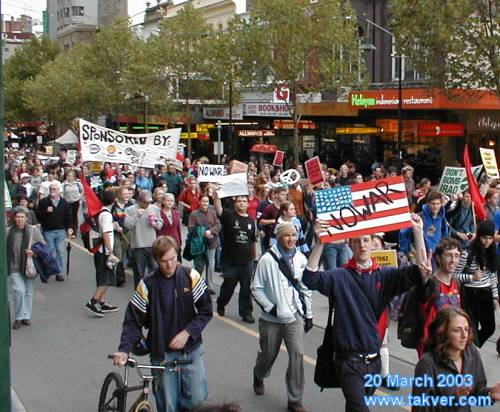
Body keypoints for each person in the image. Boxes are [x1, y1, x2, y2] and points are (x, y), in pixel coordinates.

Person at [302, 214, 430, 412]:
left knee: (355, 407)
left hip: (373, 364)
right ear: (350, 245)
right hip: (348, 363)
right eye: (356, 241)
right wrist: (320, 242)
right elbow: (310, 278)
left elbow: (420, 272)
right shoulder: (340, 276)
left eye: (366, 240)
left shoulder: (385, 276)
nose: (362, 245)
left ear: (373, 244)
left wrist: (418, 232)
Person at [113, 236, 213, 412]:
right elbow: (132, 320)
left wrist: (187, 332)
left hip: (191, 350)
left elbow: (206, 310)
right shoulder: (147, 285)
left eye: (173, 258)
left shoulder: (191, 276)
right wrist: (124, 349)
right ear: (156, 260)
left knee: (197, 400)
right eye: (164, 261)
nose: (170, 265)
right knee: (168, 405)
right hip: (162, 354)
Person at [251, 223, 313, 412]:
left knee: (297, 355)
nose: (291, 239)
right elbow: (256, 288)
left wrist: (308, 314)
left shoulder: (301, 258)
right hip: (272, 320)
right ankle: (259, 374)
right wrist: (271, 308)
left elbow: (305, 288)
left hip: (294, 317)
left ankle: (294, 400)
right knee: (268, 354)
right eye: (287, 235)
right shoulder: (267, 260)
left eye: (294, 235)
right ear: (279, 237)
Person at [412, 307, 500, 411]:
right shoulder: (427, 363)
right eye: (457, 330)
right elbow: (419, 408)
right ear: (443, 333)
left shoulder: (472, 353)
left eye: (466, 329)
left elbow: (475, 393)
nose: (464, 335)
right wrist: (454, 401)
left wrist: (490, 394)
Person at [213, 190, 258, 324]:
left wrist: (254, 258)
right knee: (228, 287)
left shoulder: (251, 220)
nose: (242, 203)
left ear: (247, 203)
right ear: (235, 203)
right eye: (239, 201)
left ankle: (246, 312)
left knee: (246, 289)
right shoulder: (228, 215)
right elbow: (219, 209)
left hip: (247, 261)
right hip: (230, 261)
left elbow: (253, 241)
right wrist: (216, 197)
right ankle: (221, 303)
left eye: (244, 201)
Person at [452, 220, 498, 347]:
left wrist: (495, 296)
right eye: (484, 238)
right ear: (479, 237)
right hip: (471, 294)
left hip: (486, 293)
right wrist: (471, 277)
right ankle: (470, 350)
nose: (487, 241)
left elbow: (492, 276)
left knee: (490, 328)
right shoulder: (468, 253)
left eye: (490, 238)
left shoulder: (491, 253)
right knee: (472, 327)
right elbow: (454, 275)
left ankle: (472, 347)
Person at [7, 206, 45, 329]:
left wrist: (34, 252)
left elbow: (43, 245)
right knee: (19, 291)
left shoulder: (33, 230)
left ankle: (26, 316)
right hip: (14, 266)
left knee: (28, 292)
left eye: (22, 217)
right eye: (17, 217)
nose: (19, 219)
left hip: (29, 266)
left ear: (26, 218)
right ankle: (19, 317)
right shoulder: (8, 231)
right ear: (14, 218)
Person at [85, 190, 120, 317]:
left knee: (103, 277)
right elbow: (105, 234)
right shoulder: (106, 215)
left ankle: (102, 301)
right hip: (104, 251)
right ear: (114, 200)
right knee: (107, 278)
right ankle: (93, 301)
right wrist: (111, 252)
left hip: (101, 250)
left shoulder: (102, 212)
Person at [124, 190, 163, 287]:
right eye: (145, 202)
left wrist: (155, 222)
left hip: (152, 245)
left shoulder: (154, 208)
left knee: (155, 271)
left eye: (149, 202)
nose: (147, 204)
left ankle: (153, 291)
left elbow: (160, 225)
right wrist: (137, 215)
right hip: (138, 246)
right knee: (139, 273)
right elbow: (127, 225)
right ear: (140, 200)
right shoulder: (130, 209)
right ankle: (139, 294)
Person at [36, 182, 73, 281]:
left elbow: (69, 216)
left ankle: (59, 272)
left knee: (60, 251)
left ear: (59, 191)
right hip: (48, 230)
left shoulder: (64, 202)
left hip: (60, 230)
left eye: (54, 189)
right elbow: (38, 215)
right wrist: (46, 212)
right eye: (51, 189)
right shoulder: (44, 201)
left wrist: (70, 227)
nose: (52, 191)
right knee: (50, 252)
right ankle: (49, 270)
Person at [188, 194, 221, 295]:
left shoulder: (213, 212)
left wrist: (211, 231)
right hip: (199, 244)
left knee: (210, 265)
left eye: (207, 201)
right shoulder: (194, 214)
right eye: (203, 201)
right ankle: (194, 284)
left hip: (211, 242)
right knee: (199, 266)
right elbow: (191, 228)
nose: (205, 203)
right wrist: (203, 232)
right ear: (199, 202)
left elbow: (218, 225)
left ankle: (210, 286)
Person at [156, 193, 182, 260]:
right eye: (168, 201)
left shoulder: (177, 213)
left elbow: (178, 228)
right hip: (163, 241)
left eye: (172, 201)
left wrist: (180, 243)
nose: (170, 202)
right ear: (163, 201)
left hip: (175, 240)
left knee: (176, 262)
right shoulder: (158, 213)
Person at [61, 169, 83, 236]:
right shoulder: (64, 184)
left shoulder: (77, 183)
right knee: (68, 216)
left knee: (74, 215)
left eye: (71, 176)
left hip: (75, 201)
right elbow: (61, 192)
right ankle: (68, 228)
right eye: (68, 176)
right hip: (67, 202)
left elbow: (82, 191)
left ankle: (74, 231)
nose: (70, 177)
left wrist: (79, 196)